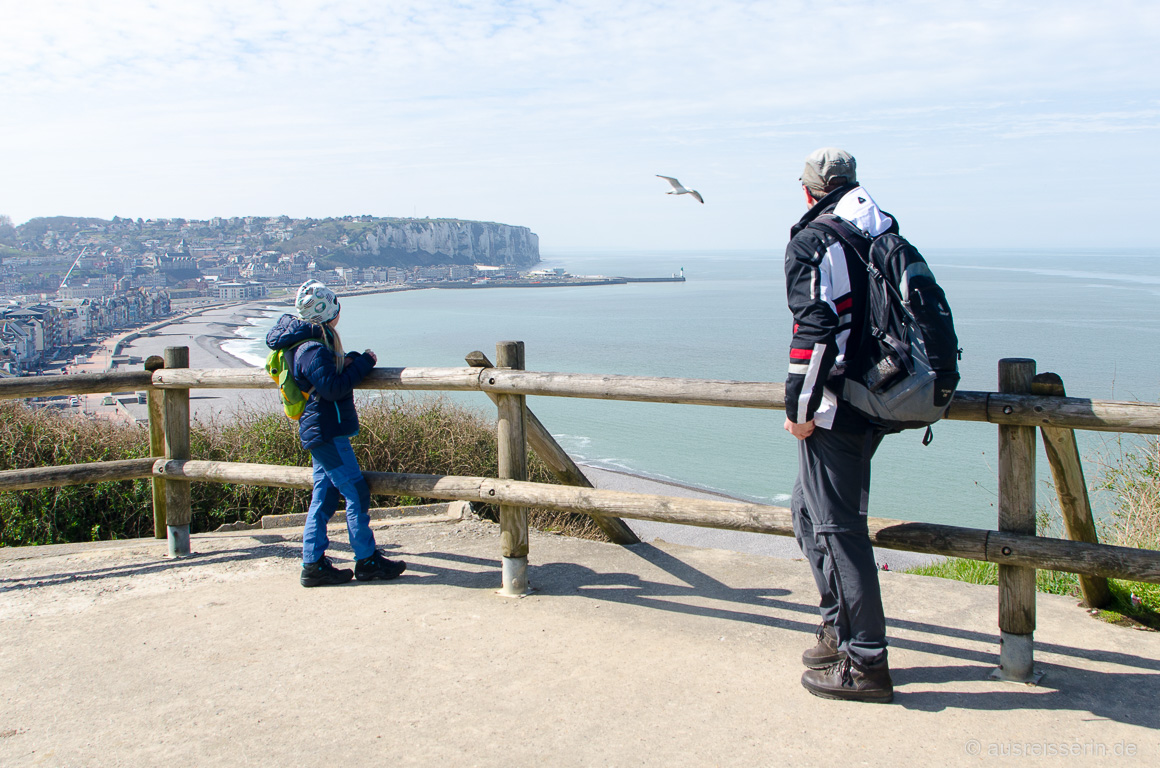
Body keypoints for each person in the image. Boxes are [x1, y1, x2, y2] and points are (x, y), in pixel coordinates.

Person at [783, 147, 895, 703]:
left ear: (808, 191)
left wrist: (799, 414)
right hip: (879, 396)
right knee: (808, 513)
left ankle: (866, 663)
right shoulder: (879, 232)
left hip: (836, 406)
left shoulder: (813, 241)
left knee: (838, 530)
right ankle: (836, 627)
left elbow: (816, 329)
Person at [266, 280, 406, 587]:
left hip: (320, 429)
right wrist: (366, 363)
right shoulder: (312, 349)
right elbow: (333, 388)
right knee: (356, 491)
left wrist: (352, 361)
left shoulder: (307, 345)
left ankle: (313, 563)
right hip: (327, 431)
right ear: (329, 312)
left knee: (325, 495)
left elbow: (330, 375)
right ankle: (367, 561)